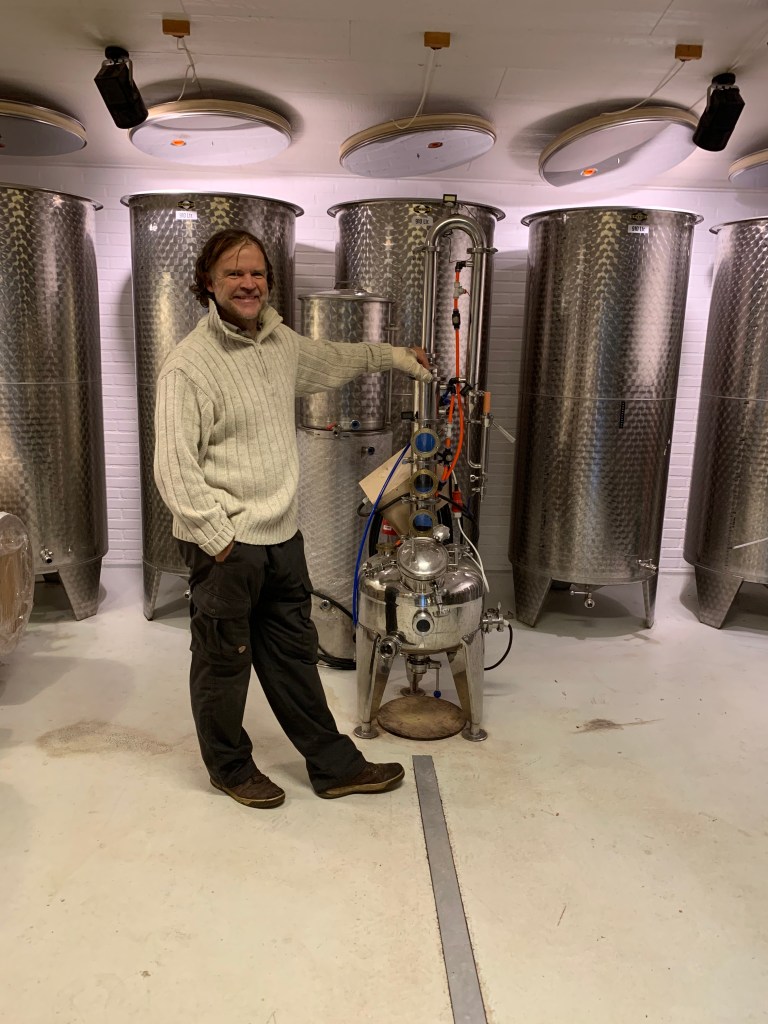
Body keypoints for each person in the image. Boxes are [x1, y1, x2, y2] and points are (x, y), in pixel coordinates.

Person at [154, 228, 433, 810]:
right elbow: (174, 470)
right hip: (228, 546)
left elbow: (334, 360)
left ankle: (335, 768)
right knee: (223, 664)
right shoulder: (189, 365)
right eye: (234, 273)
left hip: (282, 536)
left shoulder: (279, 344)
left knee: (294, 659)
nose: (248, 283)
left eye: (256, 272)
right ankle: (230, 769)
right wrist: (219, 540)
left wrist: (395, 356)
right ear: (208, 282)